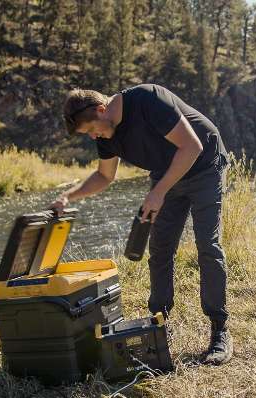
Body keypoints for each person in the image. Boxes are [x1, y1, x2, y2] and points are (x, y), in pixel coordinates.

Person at [52, 84, 232, 365]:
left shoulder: (148, 100)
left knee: (207, 245)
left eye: (91, 130)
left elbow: (191, 146)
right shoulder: (106, 134)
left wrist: (158, 192)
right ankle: (159, 323)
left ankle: (219, 329)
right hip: (167, 173)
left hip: (203, 164)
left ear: (102, 110)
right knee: (160, 249)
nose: (93, 136)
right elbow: (104, 176)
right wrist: (68, 195)